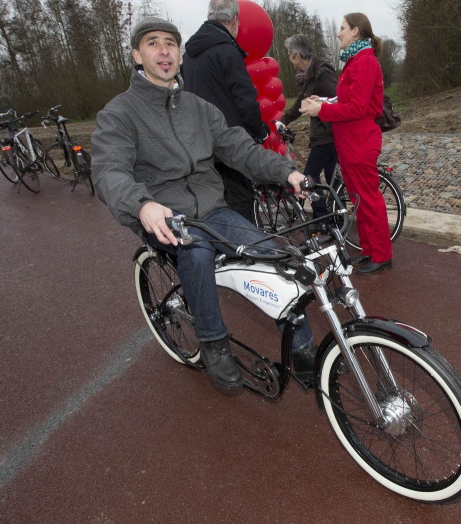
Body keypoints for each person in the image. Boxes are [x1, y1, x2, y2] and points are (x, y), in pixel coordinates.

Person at [92, 17, 314, 391]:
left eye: (170, 43)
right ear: (136, 54)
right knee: (194, 251)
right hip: (165, 214)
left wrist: (287, 172)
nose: (164, 50)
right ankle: (212, 342)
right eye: (152, 43)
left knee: (271, 253)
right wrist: (142, 204)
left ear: (180, 55)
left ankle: (303, 345)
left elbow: (240, 148)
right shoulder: (119, 113)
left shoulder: (199, 108)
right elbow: (109, 171)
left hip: (213, 209)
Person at [300, 13, 392, 274]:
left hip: (360, 140)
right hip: (350, 140)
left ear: (355, 31)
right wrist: (326, 102)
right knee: (358, 198)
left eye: (342, 29)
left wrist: (322, 111)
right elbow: (347, 100)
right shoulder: (355, 60)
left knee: (368, 198)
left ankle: (382, 254)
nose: (338, 33)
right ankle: (369, 249)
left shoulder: (364, 62)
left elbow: (358, 107)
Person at [181, 0, 270, 221]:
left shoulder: (188, 55)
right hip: (230, 141)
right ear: (234, 20)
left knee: (216, 202)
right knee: (241, 200)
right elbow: (246, 100)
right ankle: (247, 252)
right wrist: (259, 130)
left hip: (201, 142)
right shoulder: (227, 51)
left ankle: (225, 250)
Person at [275, 34, 338, 221]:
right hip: (324, 133)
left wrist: (321, 106)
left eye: (289, 54)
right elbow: (300, 105)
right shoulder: (309, 75)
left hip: (328, 133)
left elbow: (338, 97)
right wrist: (283, 120)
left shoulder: (321, 72)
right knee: (330, 178)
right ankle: (336, 215)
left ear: (296, 55)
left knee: (309, 176)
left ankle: (322, 218)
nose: (288, 58)